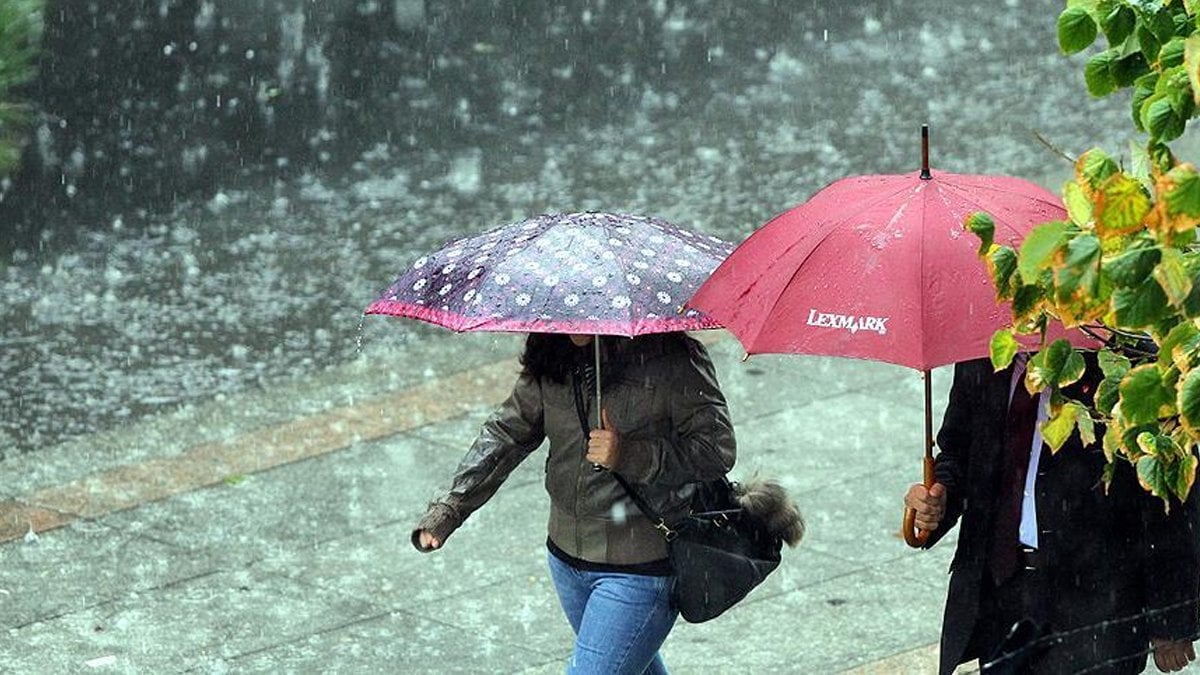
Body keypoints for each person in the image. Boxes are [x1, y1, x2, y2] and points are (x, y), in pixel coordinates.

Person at [412, 332, 736, 674]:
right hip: (565, 559)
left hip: (640, 567)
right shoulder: (550, 353)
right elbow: (506, 435)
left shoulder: (672, 358)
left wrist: (629, 454)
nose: (570, 327)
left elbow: (717, 450)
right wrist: (450, 508)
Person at [904, 354, 1200, 674]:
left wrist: (1171, 618)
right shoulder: (983, 359)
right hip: (1004, 594)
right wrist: (937, 499)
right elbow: (958, 452)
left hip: (1096, 603)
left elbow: (1171, 497)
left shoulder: (1119, 364)